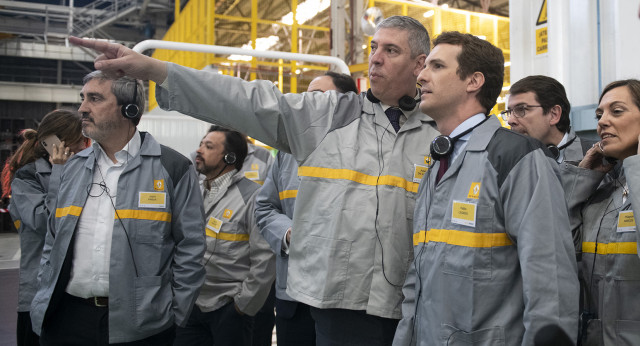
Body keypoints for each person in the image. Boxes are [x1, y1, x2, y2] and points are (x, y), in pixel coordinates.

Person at [69, 14, 440, 345]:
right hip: (341, 305)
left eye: (390, 51)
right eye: (374, 47)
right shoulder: (329, 115)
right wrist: (156, 70)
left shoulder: (439, 133)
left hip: (415, 304)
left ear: (420, 64)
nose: (375, 57)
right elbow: (245, 99)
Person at [393, 31, 579, 345]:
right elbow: (419, 275)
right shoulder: (437, 162)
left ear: (474, 81)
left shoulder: (516, 158)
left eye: (436, 66)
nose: (421, 76)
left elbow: (550, 280)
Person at [29, 71, 206, 345]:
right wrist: (44, 290)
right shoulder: (73, 167)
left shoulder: (173, 169)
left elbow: (191, 247)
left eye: (95, 98)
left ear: (129, 109)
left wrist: (176, 312)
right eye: (83, 98)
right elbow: (54, 239)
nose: (82, 109)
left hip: (142, 325)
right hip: (67, 318)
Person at [255, 72, 358, 346]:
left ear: (346, 102)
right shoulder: (287, 154)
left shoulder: (362, 152)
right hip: (293, 296)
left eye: (318, 95)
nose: (308, 102)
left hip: (342, 296)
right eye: (307, 95)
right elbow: (264, 208)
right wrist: (288, 234)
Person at [175, 126, 275, 346]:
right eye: (201, 144)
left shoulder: (252, 197)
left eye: (209, 146)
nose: (199, 150)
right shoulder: (193, 191)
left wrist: (243, 305)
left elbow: (264, 258)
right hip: (192, 304)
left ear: (229, 157)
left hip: (229, 308)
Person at [562, 79, 640, 345]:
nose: (602, 122)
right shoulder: (604, 190)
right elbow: (561, 253)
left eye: (616, 111)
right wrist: (581, 180)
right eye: (599, 114)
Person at [1, 109, 88, 346]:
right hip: (39, 295)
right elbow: (46, 223)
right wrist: (60, 170)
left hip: (73, 294)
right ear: (53, 143)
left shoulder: (79, 172)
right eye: (78, 140)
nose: (83, 146)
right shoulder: (27, 179)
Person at [504, 75, 595, 163]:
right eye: (509, 112)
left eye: (521, 109)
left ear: (554, 114)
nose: (510, 120)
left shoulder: (598, 158)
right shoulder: (510, 162)